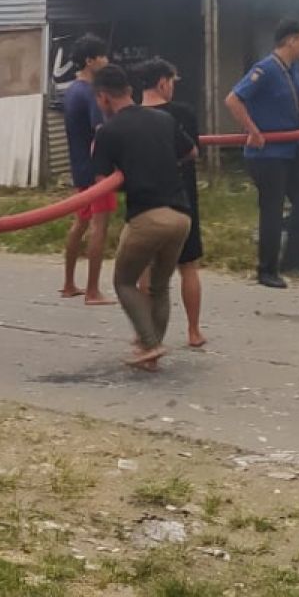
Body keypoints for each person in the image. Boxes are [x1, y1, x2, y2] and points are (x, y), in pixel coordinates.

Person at [91, 65, 196, 370]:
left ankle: (150, 344)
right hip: (181, 216)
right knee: (160, 285)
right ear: (129, 90)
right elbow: (191, 152)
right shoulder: (164, 119)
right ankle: (150, 350)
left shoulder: (108, 131)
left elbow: (101, 183)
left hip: (148, 217)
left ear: (103, 97)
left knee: (124, 282)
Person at [225, 20, 299, 289]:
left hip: (291, 148)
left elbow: (294, 101)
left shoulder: (291, 70)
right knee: (272, 209)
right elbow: (233, 99)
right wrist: (252, 130)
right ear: (291, 41)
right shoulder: (265, 69)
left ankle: (294, 259)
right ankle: (266, 269)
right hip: (267, 154)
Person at [137, 58, 206, 347]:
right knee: (187, 266)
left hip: (143, 200)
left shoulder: (129, 117)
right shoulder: (182, 114)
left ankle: (145, 332)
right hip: (182, 198)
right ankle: (193, 331)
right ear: (162, 82)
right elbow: (193, 151)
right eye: (172, 82)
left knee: (146, 268)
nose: (173, 87)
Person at [60, 34, 116, 305]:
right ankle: (93, 290)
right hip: (97, 171)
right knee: (99, 226)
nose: (106, 60)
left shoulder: (72, 91)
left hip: (79, 167)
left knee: (80, 223)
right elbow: (101, 133)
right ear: (91, 60)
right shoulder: (91, 94)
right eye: (102, 56)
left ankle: (69, 283)